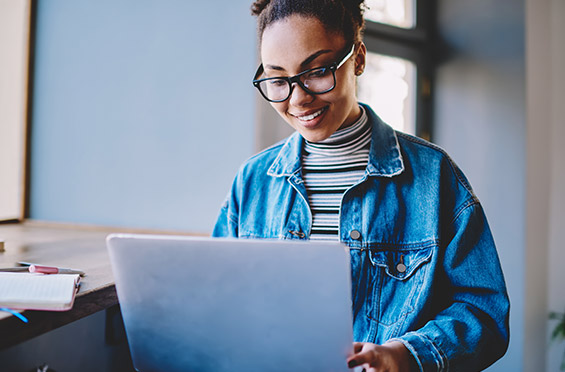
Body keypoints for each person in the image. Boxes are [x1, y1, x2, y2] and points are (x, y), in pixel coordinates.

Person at [213, 0, 510, 370]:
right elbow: (222, 302)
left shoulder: (434, 178)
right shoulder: (251, 182)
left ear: (358, 59)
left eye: (317, 71)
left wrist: (406, 356)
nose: (298, 97)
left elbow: (485, 312)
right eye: (278, 79)